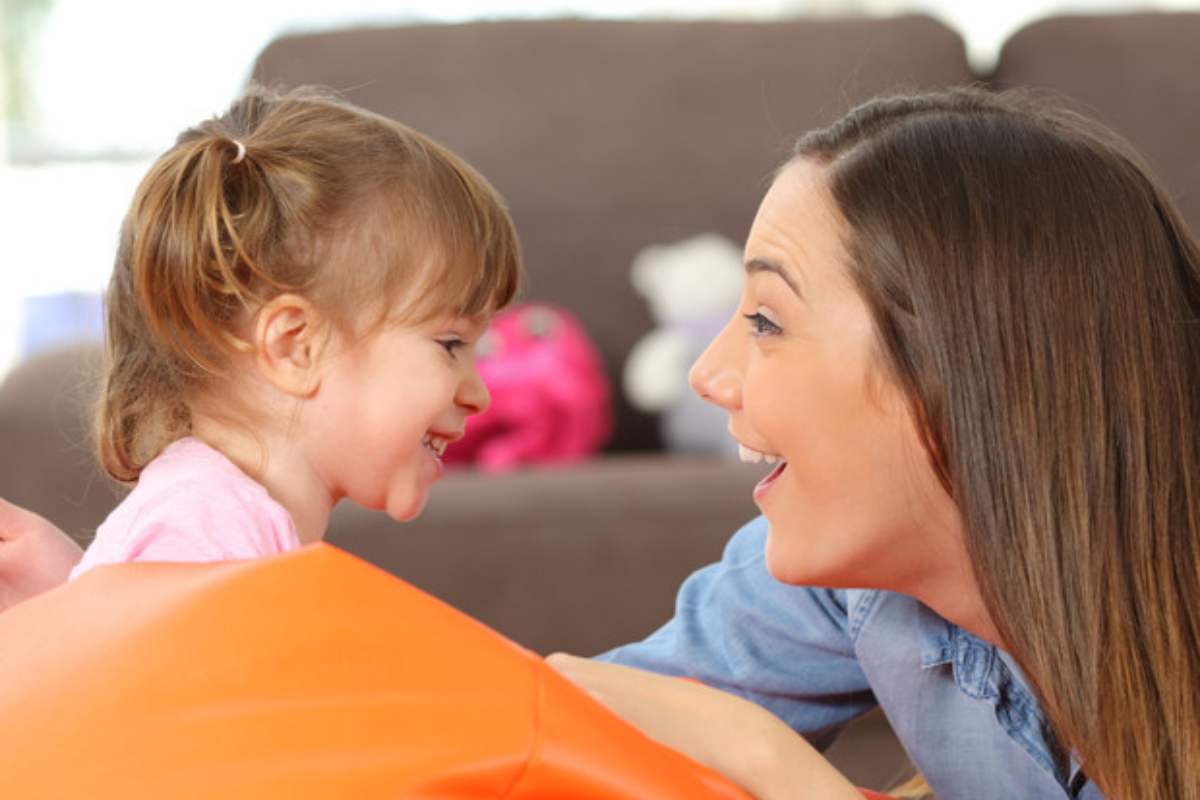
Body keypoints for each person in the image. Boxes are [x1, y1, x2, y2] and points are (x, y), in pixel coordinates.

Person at [549, 87, 1200, 800]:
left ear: (964, 373)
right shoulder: (854, 577)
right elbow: (550, 726)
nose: (708, 374)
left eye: (766, 322)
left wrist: (766, 759)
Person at [67, 85, 519, 579]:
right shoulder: (205, 529)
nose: (480, 395)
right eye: (450, 344)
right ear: (294, 346)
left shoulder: (221, 521)